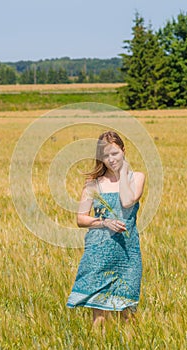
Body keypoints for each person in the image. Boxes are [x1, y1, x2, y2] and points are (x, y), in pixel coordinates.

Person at [66, 131, 145, 331]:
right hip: (98, 252)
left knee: (128, 311)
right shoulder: (93, 184)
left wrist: (124, 170)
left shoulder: (137, 177)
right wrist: (105, 222)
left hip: (127, 252)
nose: (111, 159)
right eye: (106, 156)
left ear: (123, 151)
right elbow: (80, 219)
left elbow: (127, 201)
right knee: (99, 313)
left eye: (115, 154)